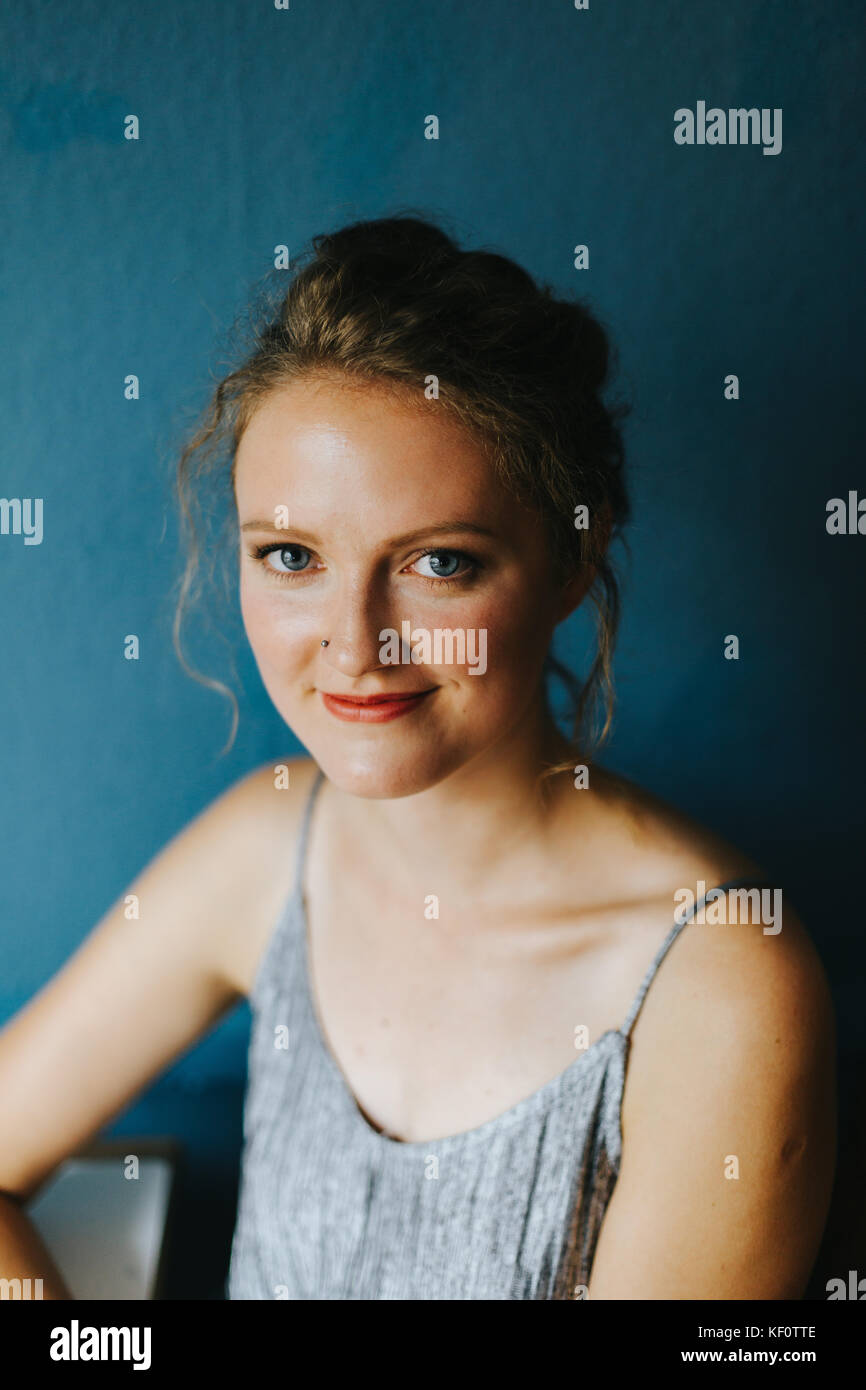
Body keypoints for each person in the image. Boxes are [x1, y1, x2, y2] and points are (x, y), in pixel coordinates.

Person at [0, 215, 836, 1300]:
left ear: (572, 557)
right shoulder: (267, 842)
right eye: (291, 556)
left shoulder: (721, 985)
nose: (353, 643)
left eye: (439, 562)